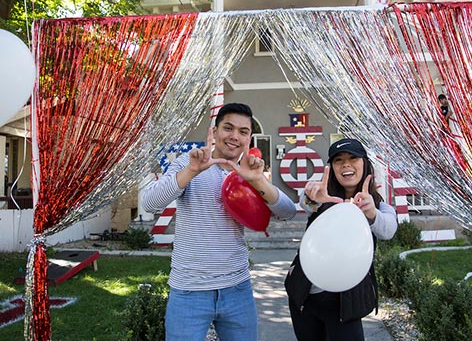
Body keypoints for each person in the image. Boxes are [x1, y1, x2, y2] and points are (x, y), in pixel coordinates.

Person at [142, 102, 296, 341]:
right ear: (214, 132)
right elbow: (150, 202)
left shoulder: (249, 172)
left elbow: (287, 212)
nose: (235, 136)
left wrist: (258, 181)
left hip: (237, 289)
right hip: (189, 290)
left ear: (249, 138)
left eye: (243, 132)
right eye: (228, 128)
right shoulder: (188, 163)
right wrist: (192, 171)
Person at [285, 138, 398, 341]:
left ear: (365, 163)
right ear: (332, 167)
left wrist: (371, 213)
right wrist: (313, 199)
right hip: (304, 296)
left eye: (353, 158)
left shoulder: (378, 205)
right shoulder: (323, 196)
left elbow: (388, 230)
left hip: (345, 304)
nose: (346, 164)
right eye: (338, 160)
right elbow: (306, 202)